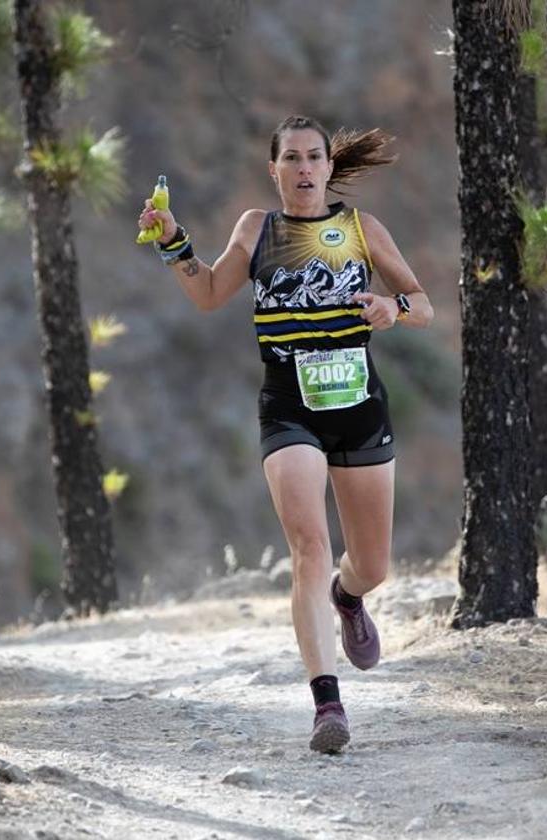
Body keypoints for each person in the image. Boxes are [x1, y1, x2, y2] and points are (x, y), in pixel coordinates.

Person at [137, 115, 434, 753]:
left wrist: (394, 308)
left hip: (358, 405)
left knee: (372, 565)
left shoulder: (362, 230)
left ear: (329, 167)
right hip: (288, 406)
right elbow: (209, 293)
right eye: (291, 158)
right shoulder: (257, 228)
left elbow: (423, 303)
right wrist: (174, 243)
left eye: (313, 157)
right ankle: (328, 705)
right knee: (309, 545)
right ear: (273, 170)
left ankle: (347, 599)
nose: (303, 168)